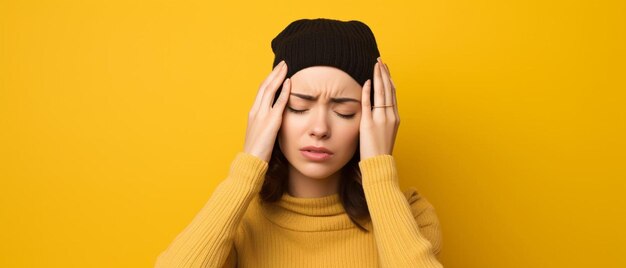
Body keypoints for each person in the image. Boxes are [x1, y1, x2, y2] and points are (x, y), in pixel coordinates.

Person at [155, 18, 443, 268]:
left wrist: (379, 172)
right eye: (298, 107)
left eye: (344, 112)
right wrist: (248, 165)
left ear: (374, 119)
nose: (319, 128)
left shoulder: (412, 215)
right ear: (271, 112)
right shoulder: (238, 219)